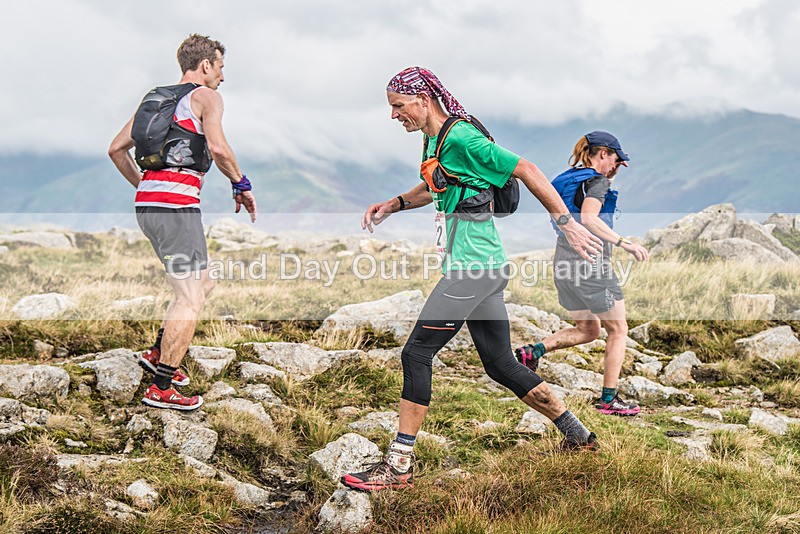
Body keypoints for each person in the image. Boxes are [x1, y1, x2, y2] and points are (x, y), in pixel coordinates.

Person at [341, 67, 604, 492]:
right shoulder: (435, 140)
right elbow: (438, 186)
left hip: (473, 270)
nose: (393, 116)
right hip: (482, 268)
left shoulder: (461, 137)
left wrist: (567, 222)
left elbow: (526, 168)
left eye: (397, 106)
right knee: (500, 364)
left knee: (416, 354)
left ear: (423, 100)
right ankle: (579, 436)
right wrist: (394, 203)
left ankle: (399, 466)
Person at [108, 34, 257, 411]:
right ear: (206, 65)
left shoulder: (154, 98)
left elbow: (116, 149)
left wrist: (147, 187)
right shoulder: (206, 97)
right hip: (176, 209)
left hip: (149, 207)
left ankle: (159, 352)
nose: (222, 77)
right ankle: (162, 386)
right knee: (189, 296)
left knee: (203, 280)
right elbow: (219, 148)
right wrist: (241, 184)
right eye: (221, 67)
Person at [515, 132, 649, 416]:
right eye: (616, 160)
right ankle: (608, 401)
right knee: (618, 330)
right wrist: (625, 243)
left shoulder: (564, 178)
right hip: (591, 264)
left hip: (563, 261)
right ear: (603, 153)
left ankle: (532, 352)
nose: (615, 168)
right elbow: (588, 218)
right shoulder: (597, 181)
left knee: (589, 329)